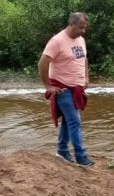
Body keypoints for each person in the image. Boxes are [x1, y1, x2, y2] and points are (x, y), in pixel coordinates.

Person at [39, 12, 93, 167]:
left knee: (68, 122)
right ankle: (81, 156)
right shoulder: (57, 41)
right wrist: (48, 86)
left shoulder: (80, 39)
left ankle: (62, 150)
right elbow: (42, 63)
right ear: (71, 24)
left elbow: (84, 59)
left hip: (77, 88)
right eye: (81, 28)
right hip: (63, 88)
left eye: (85, 28)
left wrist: (86, 78)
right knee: (75, 121)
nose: (83, 31)